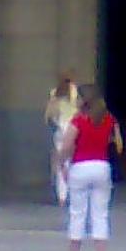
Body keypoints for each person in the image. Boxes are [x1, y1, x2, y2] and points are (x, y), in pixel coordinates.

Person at [60, 85, 123, 251]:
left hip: (80, 167)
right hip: (102, 167)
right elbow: (119, 145)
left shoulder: (78, 120)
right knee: (100, 214)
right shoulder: (109, 119)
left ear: (83, 100)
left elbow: (67, 145)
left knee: (77, 213)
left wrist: (62, 165)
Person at [43, 73, 81, 204]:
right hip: (73, 128)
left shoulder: (54, 93)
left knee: (61, 163)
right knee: (73, 162)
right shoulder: (74, 91)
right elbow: (79, 110)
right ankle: (73, 193)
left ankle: (62, 197)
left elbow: (48, 115)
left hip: (60, 128)